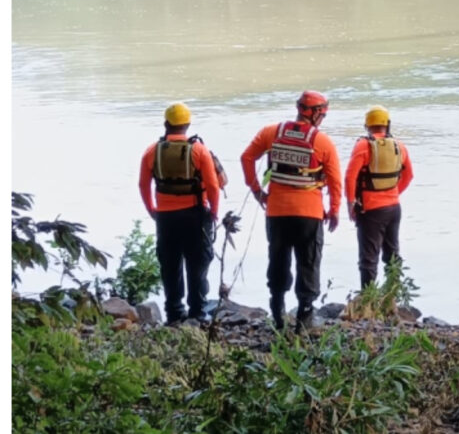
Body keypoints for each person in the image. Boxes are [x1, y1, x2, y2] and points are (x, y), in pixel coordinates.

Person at [240, 90, 342, 333]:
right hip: (309, 213)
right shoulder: (322, 142)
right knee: (308, 261)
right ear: (316, 114)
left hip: (276, 211)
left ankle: (277, 309)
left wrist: (257, 191)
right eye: (323, 115)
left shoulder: (271, 133)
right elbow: (335, 180)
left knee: (278, 258)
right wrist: (335, 210)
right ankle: (305, 314)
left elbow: (246, 158)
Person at [139, 102, 219, 325]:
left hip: (166, 217)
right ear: (188, 124)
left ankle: (174, 312)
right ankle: (198, 312)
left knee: (170, 264)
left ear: (166, 124)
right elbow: (213, 186)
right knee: (198, 264)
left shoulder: (152, 151)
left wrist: (152, 210)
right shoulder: (199, 150)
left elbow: (143, 185)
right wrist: (214, 212)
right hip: (195, 215)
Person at [344, 105, 414, 289]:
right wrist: (393, 193)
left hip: (371, 210)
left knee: (368, 257)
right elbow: (409, 176)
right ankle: (393, 293)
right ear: (387, 124)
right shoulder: (399, 146)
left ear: (367, 125)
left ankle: (368, 297)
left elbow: (350, 177)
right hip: (394, 208)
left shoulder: (363, 146)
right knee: (392, 254)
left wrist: (350, 203)